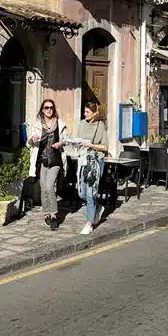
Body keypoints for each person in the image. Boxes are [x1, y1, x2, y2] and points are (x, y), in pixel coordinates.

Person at [27, 99, 68, 231]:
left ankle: (54, 214)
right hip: (42, 161)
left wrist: (61, 143)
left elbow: (67, 140)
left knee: (50, 187)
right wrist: (32, 140)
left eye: (51, 107)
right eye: (46, 108)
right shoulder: (37, 125)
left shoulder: (60, 124)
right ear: (42, 110)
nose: (49, 110)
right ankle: (46, 214)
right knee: (43, 188)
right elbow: (29, 143)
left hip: (55, 160)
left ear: (54, 109)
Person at [77, 101, 108, 235]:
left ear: (95, 113)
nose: (85, 114)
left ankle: (89, 224)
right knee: (82, 193)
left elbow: (105, 147)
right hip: (83, 161)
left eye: (87, 112)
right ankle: (98, 207)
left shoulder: (101, 126)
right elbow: (78, 141)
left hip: (95, 161)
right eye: (84, 112)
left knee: (90, 193)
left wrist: (91, 145)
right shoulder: (81, 124)